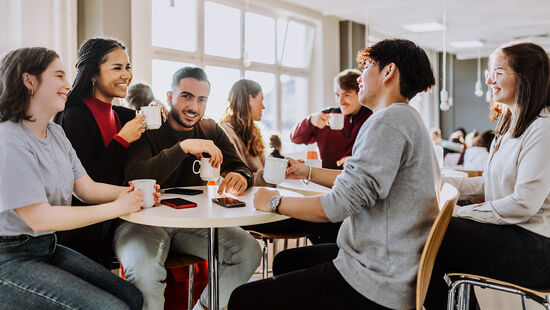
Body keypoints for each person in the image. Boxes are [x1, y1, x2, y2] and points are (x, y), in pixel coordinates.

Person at [228, 38, 438, 310]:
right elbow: (358, 183)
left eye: (367, 67)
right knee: (285, 262)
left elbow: (337, 206)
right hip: (392, 264)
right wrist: (307, 171)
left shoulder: (387, 122)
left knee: (243, 299)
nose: (360, 77)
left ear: (389, 72)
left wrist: (273, 201)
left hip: (375, 278)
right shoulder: (407, 118)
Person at [0, 47, 145, 310]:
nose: (68, 85)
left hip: (46, 246)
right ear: (29, 81)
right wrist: (116, 207)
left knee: (132, 297)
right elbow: (40, 218)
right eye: (58, 76)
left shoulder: (55, 132)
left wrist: (126, 193)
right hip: (8, 257)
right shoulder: (9, 140)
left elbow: (85, 188)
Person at [115, 67, 261, 310]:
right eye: (186, 96)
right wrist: (182, 147)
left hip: (189, 224)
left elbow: (242, 167)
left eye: (202, 99)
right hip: (141, 222)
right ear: (170, 96)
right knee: (144, 272)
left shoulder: (211, 130)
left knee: (248, 251)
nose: (194, 106)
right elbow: (136, 175)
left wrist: (241, 176)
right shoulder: (148, 127)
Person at [425, 42, 550, 309]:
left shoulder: (543, 128)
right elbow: (489, 182)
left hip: (537, 248)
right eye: (488, 73)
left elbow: (523, 203)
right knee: (427, 247)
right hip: (512, 235)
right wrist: (434, 181)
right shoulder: (510, 125)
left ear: (526, 77)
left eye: (498, 72)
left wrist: (461, 212)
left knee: (427, 234)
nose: (490, 80)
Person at [54, 37, 147, 267]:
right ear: (93, 74)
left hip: (117, 223)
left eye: (128, 67)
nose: (126, 75)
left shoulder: (121, 115)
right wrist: (122, 140)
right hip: (83, 238)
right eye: (117, 68)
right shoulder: (74, 116)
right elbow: (88, 186)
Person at [220, 79, 341, 244]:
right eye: (261, 101)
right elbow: (241, 178)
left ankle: (319, 263)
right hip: (249, 207)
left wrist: (285, 168)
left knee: (323, 219)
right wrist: (278, 172)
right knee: (321, 220)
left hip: (263, 201)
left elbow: (263, 171)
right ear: (249, 99)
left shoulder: (253, 131)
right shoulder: (226, 133)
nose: (263, 107)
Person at [290, 69, 372, 169]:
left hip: (357, 180)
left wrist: (358, 160)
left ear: (360, 93)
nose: (340, 102)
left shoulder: (372, 118)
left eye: (346, 95)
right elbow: (295, 138)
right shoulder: (326, 116)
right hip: (325, 180)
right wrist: (310, 121)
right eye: (337, 95)